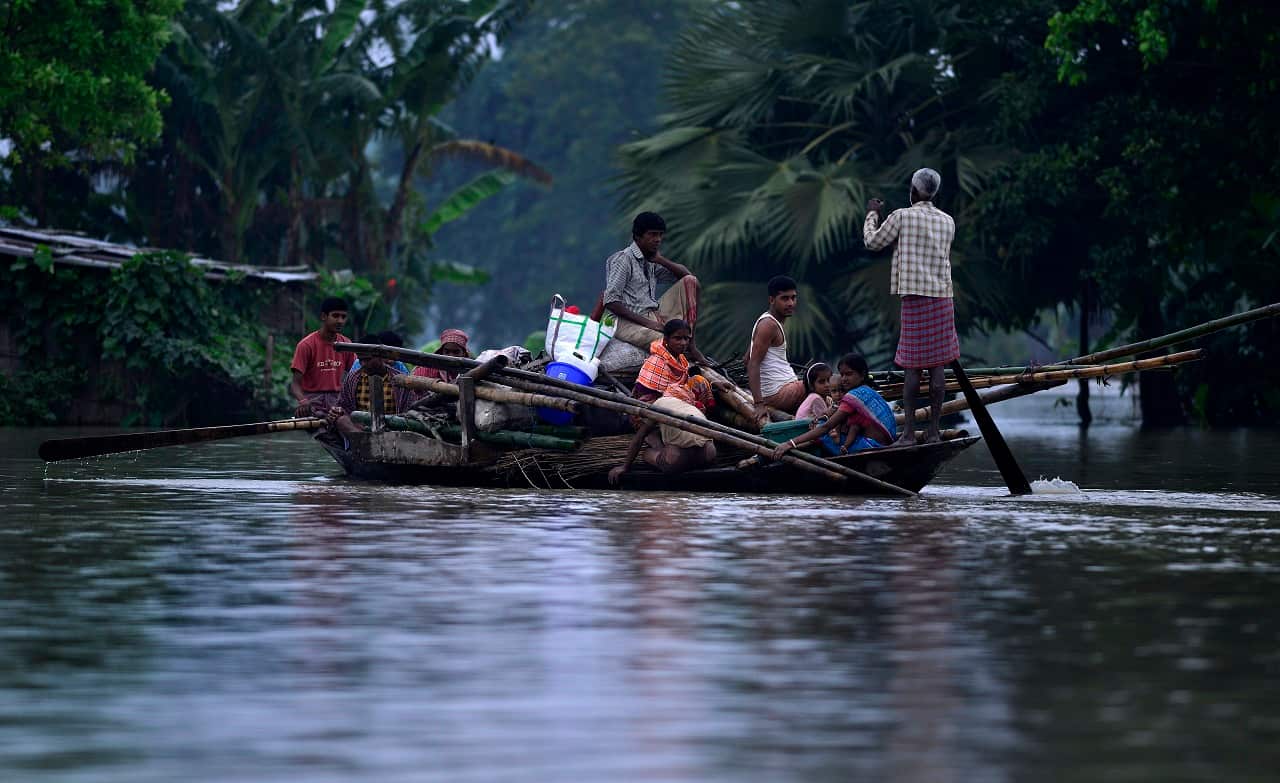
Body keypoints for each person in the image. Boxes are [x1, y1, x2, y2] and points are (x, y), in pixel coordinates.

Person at [863, 167, 958, 445]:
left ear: (914, 191)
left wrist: (872, 214)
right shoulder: (948, 221)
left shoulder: (902, 216)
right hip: (942, 297)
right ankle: (933, 431)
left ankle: (907, 433)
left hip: (915, 297)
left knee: (913, 366)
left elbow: (873, 241)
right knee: (938, 365)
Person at [604, 211, 704, 360]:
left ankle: (692, 344)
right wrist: (650, 324)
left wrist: (661, 260)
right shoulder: (623, 260)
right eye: (652, 234)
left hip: (653, 314)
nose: (657, 239)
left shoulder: (651, 260)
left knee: (691, 282)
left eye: (660, 235)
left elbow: (687, 276)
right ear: (638, 236)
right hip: (624, 322)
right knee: (670, 343)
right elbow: (611, 302)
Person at [772, 354, 897, 459]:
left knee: (821, 429)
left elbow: (826, 427)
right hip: (885, 443)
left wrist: (790, 443)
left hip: (873, 447)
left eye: (849, 374)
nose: (844, 379)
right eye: (842, 375)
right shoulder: (868, 390)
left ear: (862, 374)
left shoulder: (853, 396)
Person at [608, 375, 718, 484]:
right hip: (708, 454)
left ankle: (663, 456)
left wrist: (625, 466)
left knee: (646, 453)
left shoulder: (658, 405)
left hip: (678, 459)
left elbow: (639, 438)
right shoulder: (690, 406)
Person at [746, 275, 806, 417]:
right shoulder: (769, 325)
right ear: (772, 300)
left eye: (793, 298)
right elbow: (752, 363)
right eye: (785, 298)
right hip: (777, 394)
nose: (791, 303)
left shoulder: (770, 322)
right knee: (822, 383)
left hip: (781, 389)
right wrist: (759, 404)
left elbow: (746, 358)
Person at [290, 296, 355, 417]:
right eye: (335, 316)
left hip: (338, 402)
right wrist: (303, 401)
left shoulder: (347, 344)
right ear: (323, 317)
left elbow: (356, 375)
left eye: (343, 317)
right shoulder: (306, 345)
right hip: (312, 402)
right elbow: (295, 384)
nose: (340, 321)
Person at [326, 354, 419, 436]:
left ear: (380, 358)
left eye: (367, 360)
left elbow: (409, 410)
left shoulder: (399, 378)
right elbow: (344, 406)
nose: (363, 364)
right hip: (360, 430)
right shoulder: (352, 378)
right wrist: (337, 411)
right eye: (360, 360)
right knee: (341, 420)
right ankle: (365, 441)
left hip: (392, 430)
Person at [633, 319, 695, 403]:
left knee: (699, 381)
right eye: (678, 338)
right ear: (666, 340)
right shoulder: (657, 362)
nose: (683, 343)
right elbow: (643, 392)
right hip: (653, 404)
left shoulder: (681, 360)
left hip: (673, 399)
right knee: (679, 392)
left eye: (686, 338)